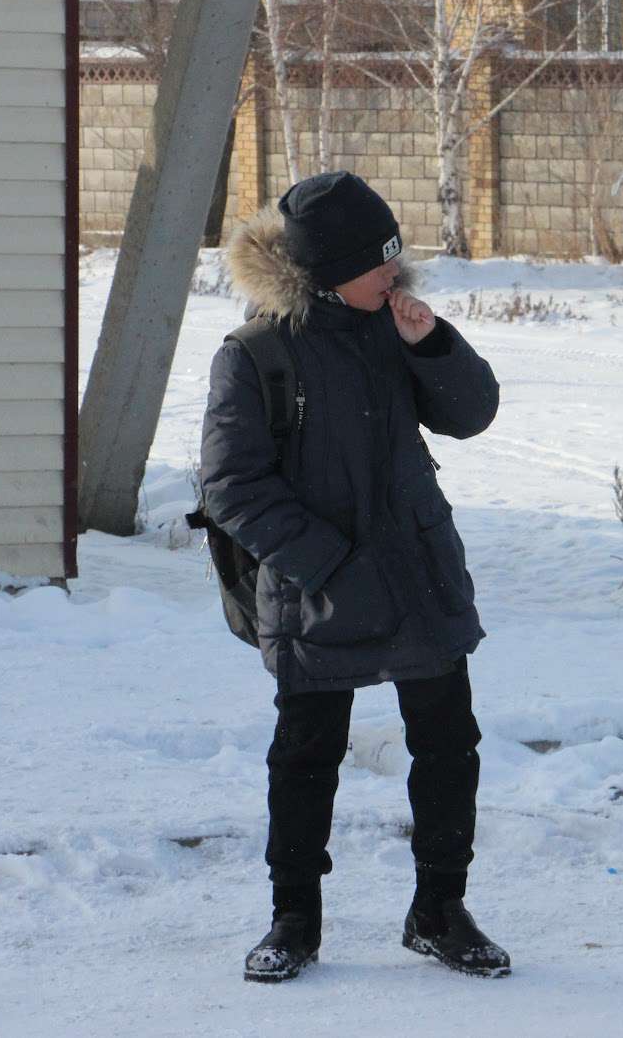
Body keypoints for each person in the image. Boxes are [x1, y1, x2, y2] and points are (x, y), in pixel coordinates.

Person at [199, 171, 507, 982]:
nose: (394, 275)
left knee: (449, 744)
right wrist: (327, 565)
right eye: (378, 263)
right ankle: (293, 916)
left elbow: (472, 414)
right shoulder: (257, 353)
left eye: (396, 257)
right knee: (306, 752)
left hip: (417, 573)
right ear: (327, 271)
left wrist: (432, 344)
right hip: (318, 585)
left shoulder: (392, 326)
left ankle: (440, 908)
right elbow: (231, 486)